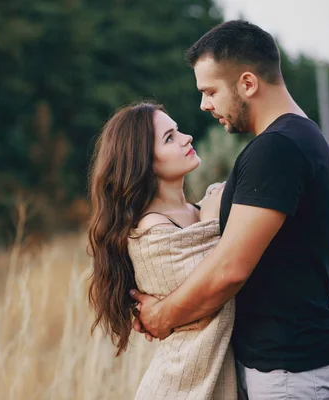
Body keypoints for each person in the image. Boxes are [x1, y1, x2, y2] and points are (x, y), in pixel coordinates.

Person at [130, 20, 329, 399]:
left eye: (210, 91)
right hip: (291, 364)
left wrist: (161, 316)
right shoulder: (300, 136)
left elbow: (230, 270)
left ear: (248, 84)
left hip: (288, 371)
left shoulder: (276, 149)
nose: (204, 104)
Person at [87, 102, 237, 399]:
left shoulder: (200, 209)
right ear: (144, 162)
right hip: (180, 390)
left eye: (178, 130)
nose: (186, 138)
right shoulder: (151, 234)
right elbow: (217, 287)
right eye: (170, 137)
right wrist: (212, 219)